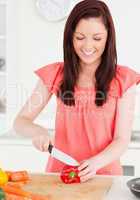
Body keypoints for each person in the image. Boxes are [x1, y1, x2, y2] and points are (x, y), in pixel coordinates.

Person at [14, 0, 140, 182]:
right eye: (80, 37)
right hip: (60, 175)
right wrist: (37, 131)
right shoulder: (55, 74)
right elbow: (20, 121)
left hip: (104, 176)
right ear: (70, 37)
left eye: (97, 38)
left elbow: (121, 139)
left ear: (108, 38)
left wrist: (95, 163)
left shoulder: (123, 79)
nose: (88, 46)